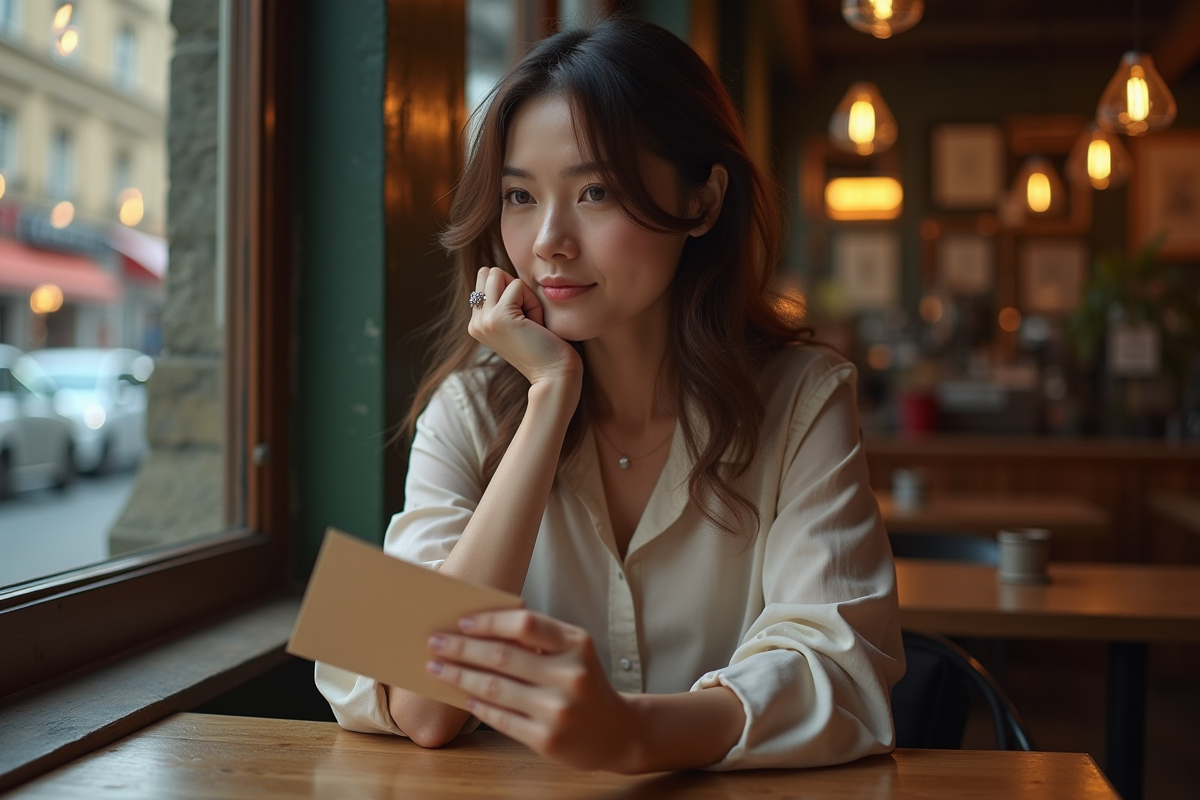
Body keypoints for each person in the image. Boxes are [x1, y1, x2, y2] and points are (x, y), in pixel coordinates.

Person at [316, 16, 903, 774]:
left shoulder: (805, 397)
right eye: (520, 197)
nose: (548, 240)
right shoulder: (461, 411)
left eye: (595, 191)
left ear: (702, 202)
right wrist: (549, 397)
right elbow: (421, 706)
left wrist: (632, 734)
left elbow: (842, 672)